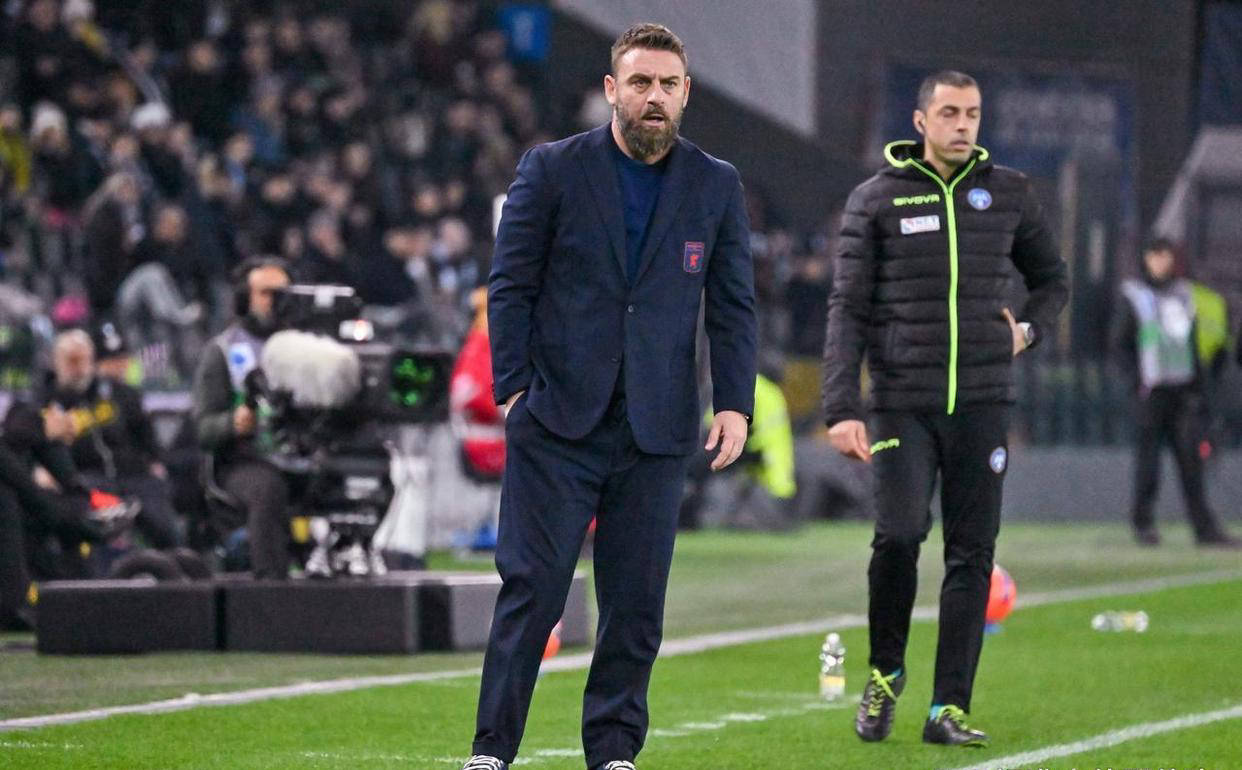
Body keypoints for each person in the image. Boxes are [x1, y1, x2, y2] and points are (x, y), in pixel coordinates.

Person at [464, 23, 756, 770]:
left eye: (667, 84)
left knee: (635, 606)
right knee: (532, 592)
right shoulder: (551, 169)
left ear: (686, 93)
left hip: (656, 428)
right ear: (610, 90)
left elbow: (732, 305)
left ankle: (614, 753)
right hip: (556, 420)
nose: (653, 96)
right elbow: (510, 284)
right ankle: (492, 751)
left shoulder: (715, 183)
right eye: (640, 82)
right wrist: (514, 389)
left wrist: (734, 402)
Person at [821, 70, 1068, 748]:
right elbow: (847, 307)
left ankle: (947, 708)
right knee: (900, 535)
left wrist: (1029, 331)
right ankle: (885, 673)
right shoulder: (876, 200)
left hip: (984, 402)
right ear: (921, 121)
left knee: (972, 554)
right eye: (951, 113)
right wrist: (842, 406)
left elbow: (1053, 280)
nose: (963, 125)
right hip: (902, 403)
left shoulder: (1009, 193)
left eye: (973, 114)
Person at [1113, 239, 1238, 547]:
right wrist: (1136, 383)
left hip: (1182, 392)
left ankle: (1204, 528)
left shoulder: (1184, 295)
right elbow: (1120, 345)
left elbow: (1191, 345)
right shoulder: (1135, 296)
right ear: (1146, 259)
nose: (1160, 262)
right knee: (1148, 464)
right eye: (1155, 256)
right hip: (1151, 393)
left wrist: (1199, 389)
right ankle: (1143, 524)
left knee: (1192, 463)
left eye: (1165, 256)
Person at [191, 256, 293, 578]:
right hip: (243, 461)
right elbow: (203, 428)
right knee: (268, 488)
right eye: (265, 293)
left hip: (305, 456)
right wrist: (232, 424)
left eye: (282, 294)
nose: (275, 302)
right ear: (243, 299)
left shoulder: (310, 346)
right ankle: (270, 584)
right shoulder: (222, 351)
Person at [44, 329, 183, 549]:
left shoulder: (118, 393)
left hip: (133, 475)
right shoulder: (46, 403)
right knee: (90, 522)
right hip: (86, 479)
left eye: (83, 360)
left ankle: (174, 564)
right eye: (71, 361)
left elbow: (145, 434)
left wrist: (156, 462)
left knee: (164, 524)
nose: (78, 368)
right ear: (56, 363)